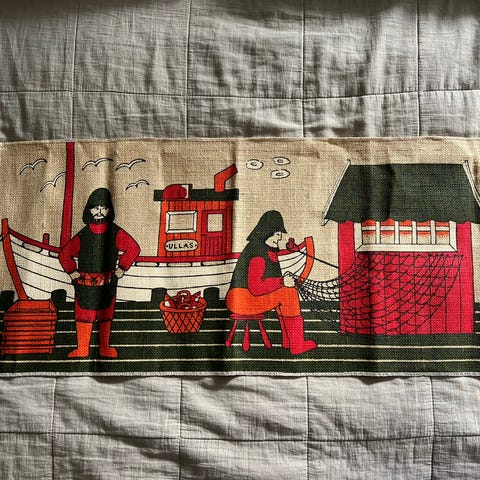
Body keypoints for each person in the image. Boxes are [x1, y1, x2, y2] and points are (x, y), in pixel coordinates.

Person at [59, 188, 140, 358]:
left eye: (104, 208)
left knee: (106, 314)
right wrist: (72, 272)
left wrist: (121, 268)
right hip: (84, 281)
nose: (100, 211)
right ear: (89, 210)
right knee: (83, 314)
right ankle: (82, 349)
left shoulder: (115, 232)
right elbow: (65, 254)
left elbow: (133, 248)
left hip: (108, 280)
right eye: (96, 208)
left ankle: (104, 348)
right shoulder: (83, 234)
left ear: (110, 210)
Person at [226, 210, 316, 355]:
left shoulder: (264, 249)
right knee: (288, 293)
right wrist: (282, 281)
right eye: (277, 233)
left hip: (244, 296)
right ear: (266, 231)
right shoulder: (257, 252)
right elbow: (256, 287)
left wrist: (293, 250)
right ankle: (297, 344)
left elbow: (273, 262)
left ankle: (288, 341)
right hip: (241, 299)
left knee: (286, 292)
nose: (279, 238)